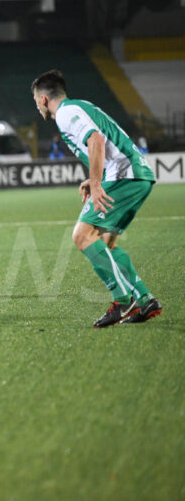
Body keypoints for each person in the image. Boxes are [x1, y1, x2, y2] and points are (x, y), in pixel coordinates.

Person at [31, 70, 161, 327]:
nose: (36, 106)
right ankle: (145, 301)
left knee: (82, 235)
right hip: (134, 175)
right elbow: (101, 141)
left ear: (44, 99)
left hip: (124, 176)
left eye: (35, 100)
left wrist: (97, 182)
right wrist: (94, 178)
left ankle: (123, 301)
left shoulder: (66, 113)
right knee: (105, 243)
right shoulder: (79, 106)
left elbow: (96, 140)